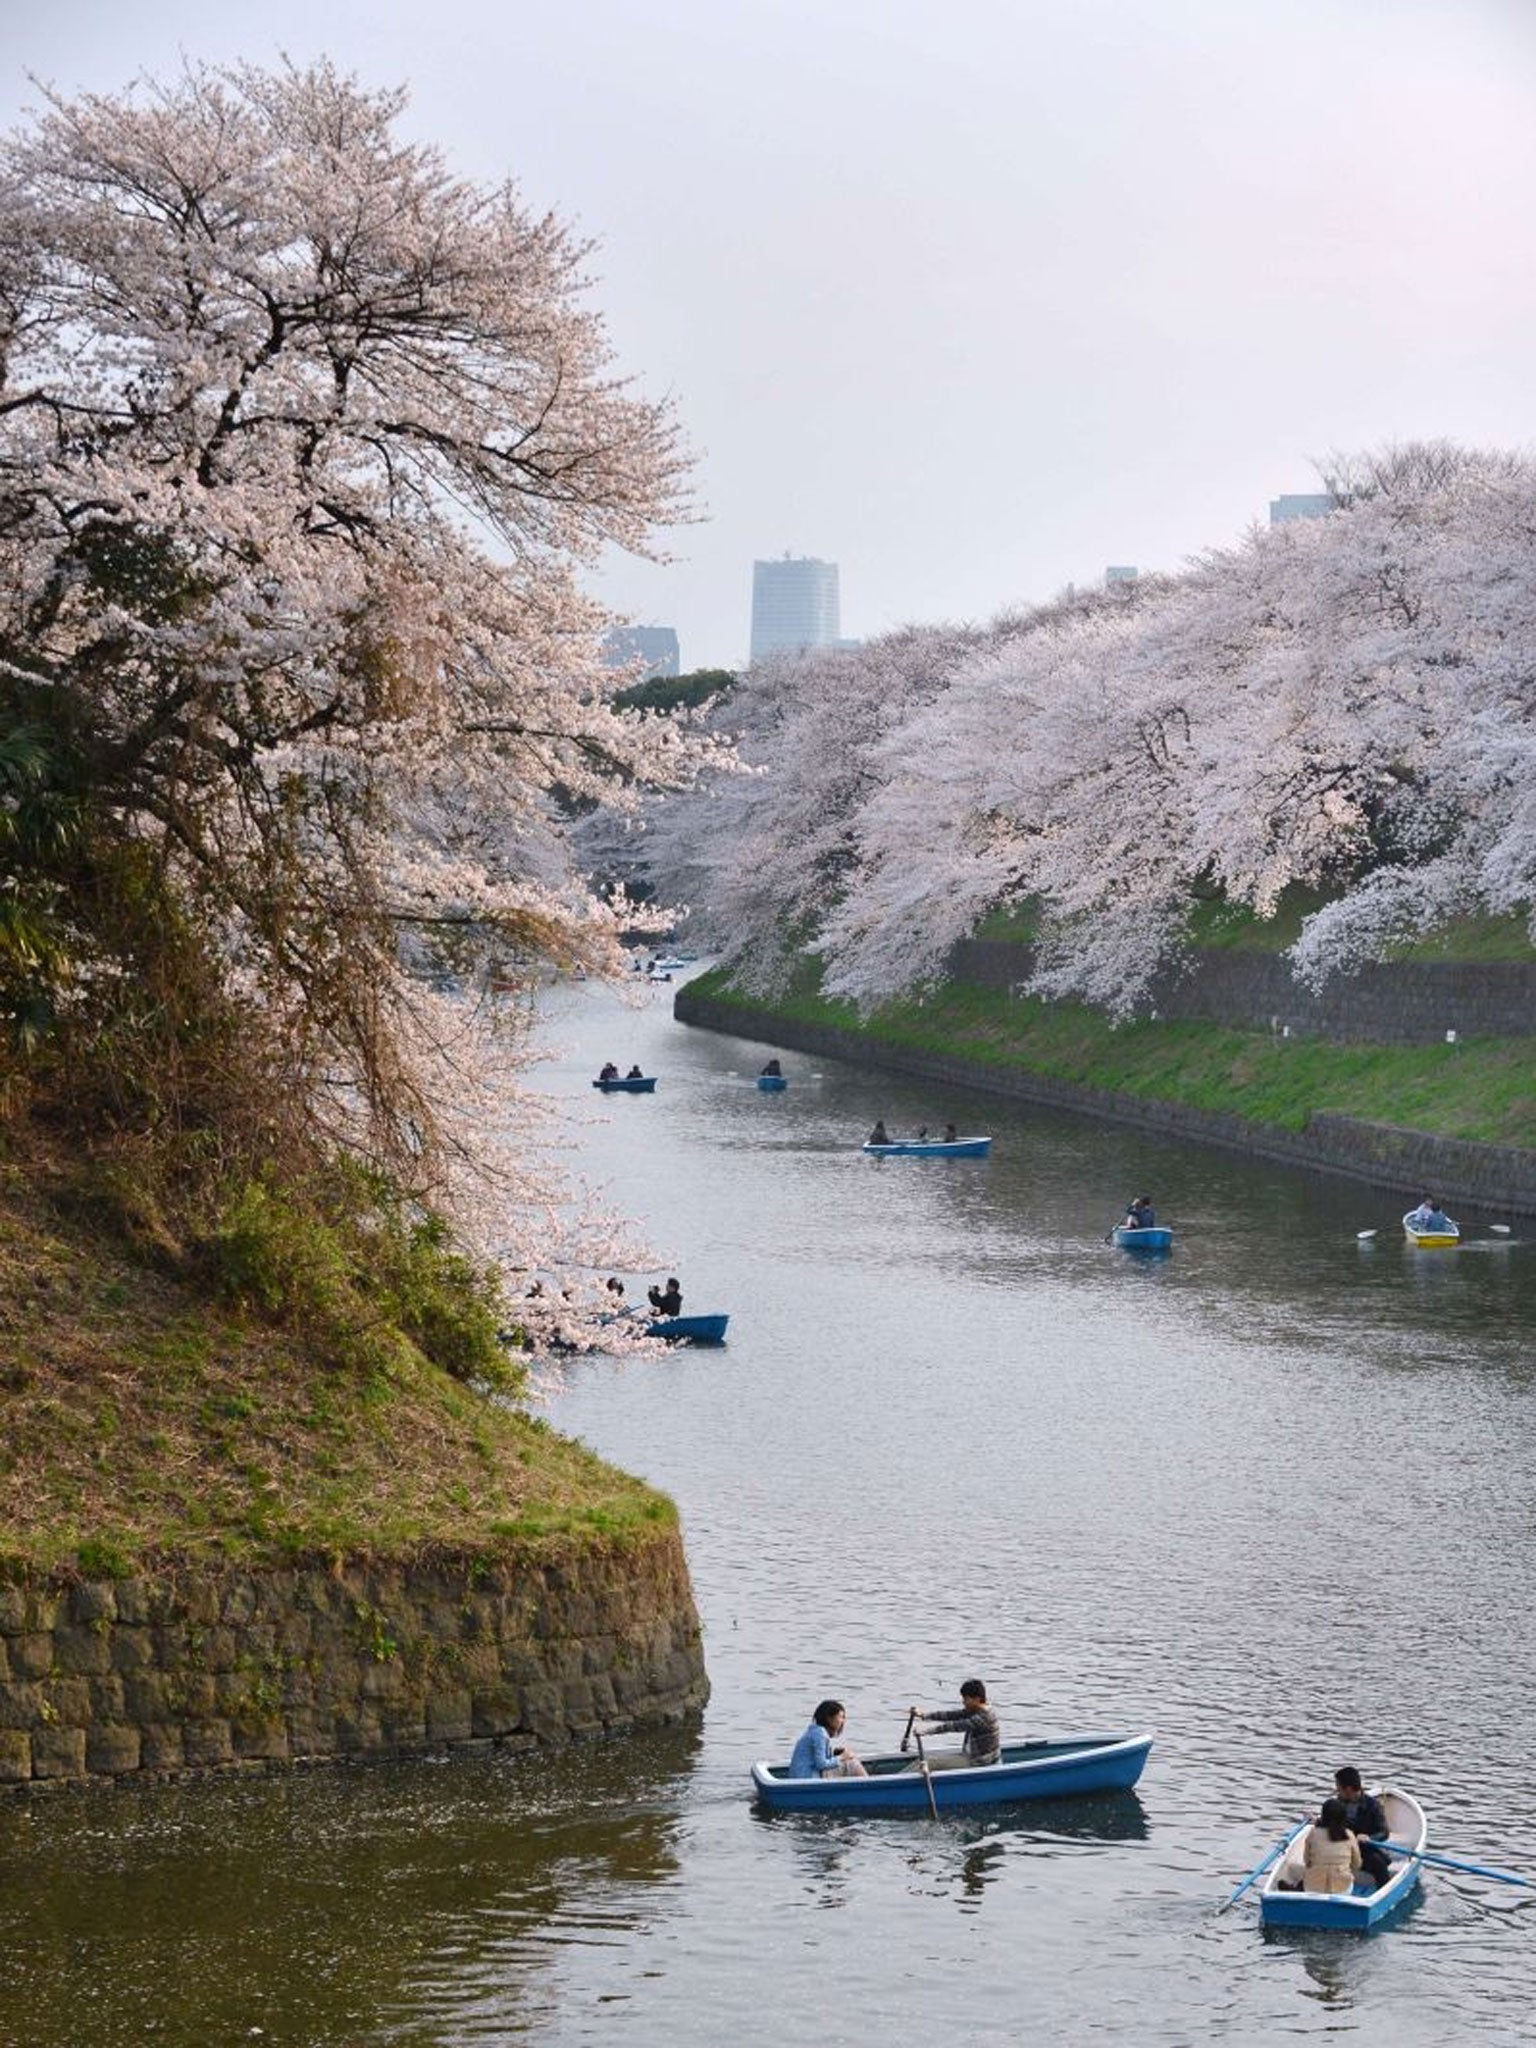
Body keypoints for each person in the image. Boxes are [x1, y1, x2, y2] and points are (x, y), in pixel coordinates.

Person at [908, 1679, 1001, 1770]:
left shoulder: (985, 1716)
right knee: (920, 1761)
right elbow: (951, 1715)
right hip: (972, 1756)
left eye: (966, 1699)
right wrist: (923, 1715)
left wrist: (925, 1732)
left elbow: (953, 1726)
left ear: (977, 1699)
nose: (963, 1702)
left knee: (929, 1762)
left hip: (981, 1763)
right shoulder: (975, 1710)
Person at [1333, 1767, 1392, 1886]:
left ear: (1348, 1789)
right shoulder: (1337, 1803)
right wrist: (1318, 1821)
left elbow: (1384, 1832)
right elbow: (1330, 1823)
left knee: (1378, 1862)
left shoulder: (1373, 1806)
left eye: (1338, 1787)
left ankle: (1383, 1891)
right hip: (1342, 1848)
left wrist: (1370, 1838)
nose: (1337, 1790)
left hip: (1363, 1849)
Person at [788, 1700, 868, 1779]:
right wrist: (842, 1757)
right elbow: (821, 1764)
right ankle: (868, 1784)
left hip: (806, 1775)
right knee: (851, 1763)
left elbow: (818, 1759)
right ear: (829, 1718)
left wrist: (835, 1755)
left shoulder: (815, 1731)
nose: (842, 1721)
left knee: (847, 1761)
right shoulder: (820, 1734)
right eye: (840, 1717)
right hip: (810, 1777)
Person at [1300, 1798, 1363, 1894]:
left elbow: (1306, 1860)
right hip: (1342, 1888)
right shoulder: (1349, 1835)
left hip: (1313, 1887)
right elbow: (1357, 1864)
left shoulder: (1313, 1833)